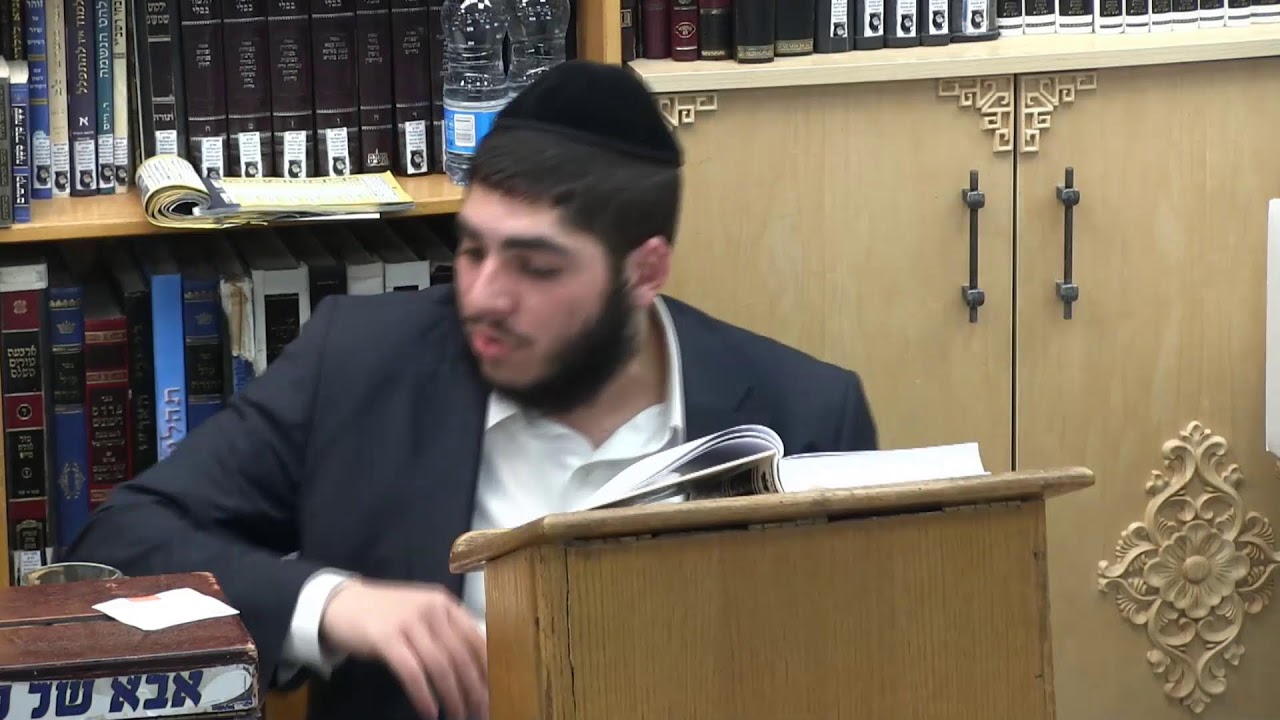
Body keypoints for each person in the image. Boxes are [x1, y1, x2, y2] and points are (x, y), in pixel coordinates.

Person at [65, 60, 878, 720]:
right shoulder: (360, 364)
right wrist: (332, 603)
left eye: (535, 266)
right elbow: (120, 543)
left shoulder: (805, 412)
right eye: (475, 250)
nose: (483, 296)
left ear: (645, 271)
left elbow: (862, 667)